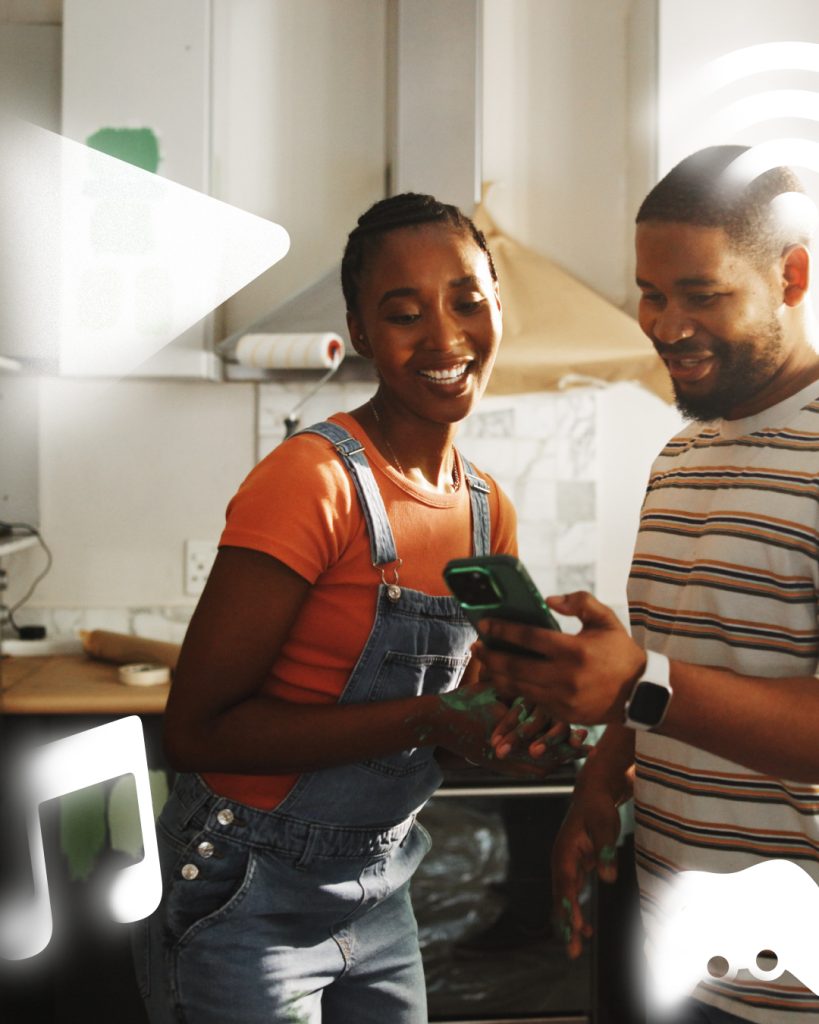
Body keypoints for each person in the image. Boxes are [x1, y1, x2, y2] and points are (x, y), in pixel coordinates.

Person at [133, 192, 582, 1024]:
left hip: (378, 892)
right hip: (245, 888)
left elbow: (479, 712)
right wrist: (437, 721)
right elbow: (196, 731)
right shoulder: (313, 483)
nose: (446, 338)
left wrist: (521, 732)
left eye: (467, 302)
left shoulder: (486, 511)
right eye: (404, 313)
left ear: (495, 308)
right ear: (363, 331)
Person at [476, 145, 819, 1024]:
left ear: (791, 276)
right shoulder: (681, 455)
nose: (665, 326)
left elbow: (664, 684)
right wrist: (603, 777)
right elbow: (683, 670)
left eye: (702, 295)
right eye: (652, 293)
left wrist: (637, 683)